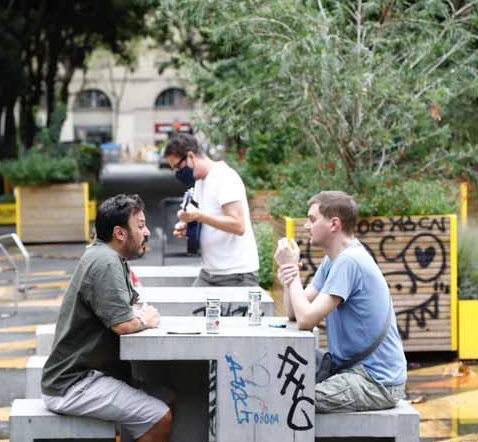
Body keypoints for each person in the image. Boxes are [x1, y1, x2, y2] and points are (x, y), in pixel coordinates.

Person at [41, 194, 186, 442]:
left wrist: (137, 316)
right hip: (73, 384)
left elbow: (129, 306)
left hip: (87, 375)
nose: (147, 232)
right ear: (120, 233)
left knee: (165, 398)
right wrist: (143, 320)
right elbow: (124, 323)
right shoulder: (105, 262)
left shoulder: (106, 257)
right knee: (158, 415)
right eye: (141, 225)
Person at [275, 191, 407, 413]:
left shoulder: (349, 262)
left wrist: (293, 274)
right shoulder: (333, 260)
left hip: (376, 381)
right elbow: (295, 313)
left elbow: (306, 320)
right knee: (280, 370)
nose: (307, 226)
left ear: (334, 224)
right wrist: (289, 275)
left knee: (298, 401)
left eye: (312, 219)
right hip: (351, 370)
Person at [162, 133, 259, 287]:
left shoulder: (224, 177)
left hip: (236, 273)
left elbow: (238, 225)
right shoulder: (200, 181)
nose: (177, 173)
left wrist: (199, 216)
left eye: (178, 167)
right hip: (210, 271)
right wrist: (188, 227)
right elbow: (210, 219)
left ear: (191, 156)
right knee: (187, 309)